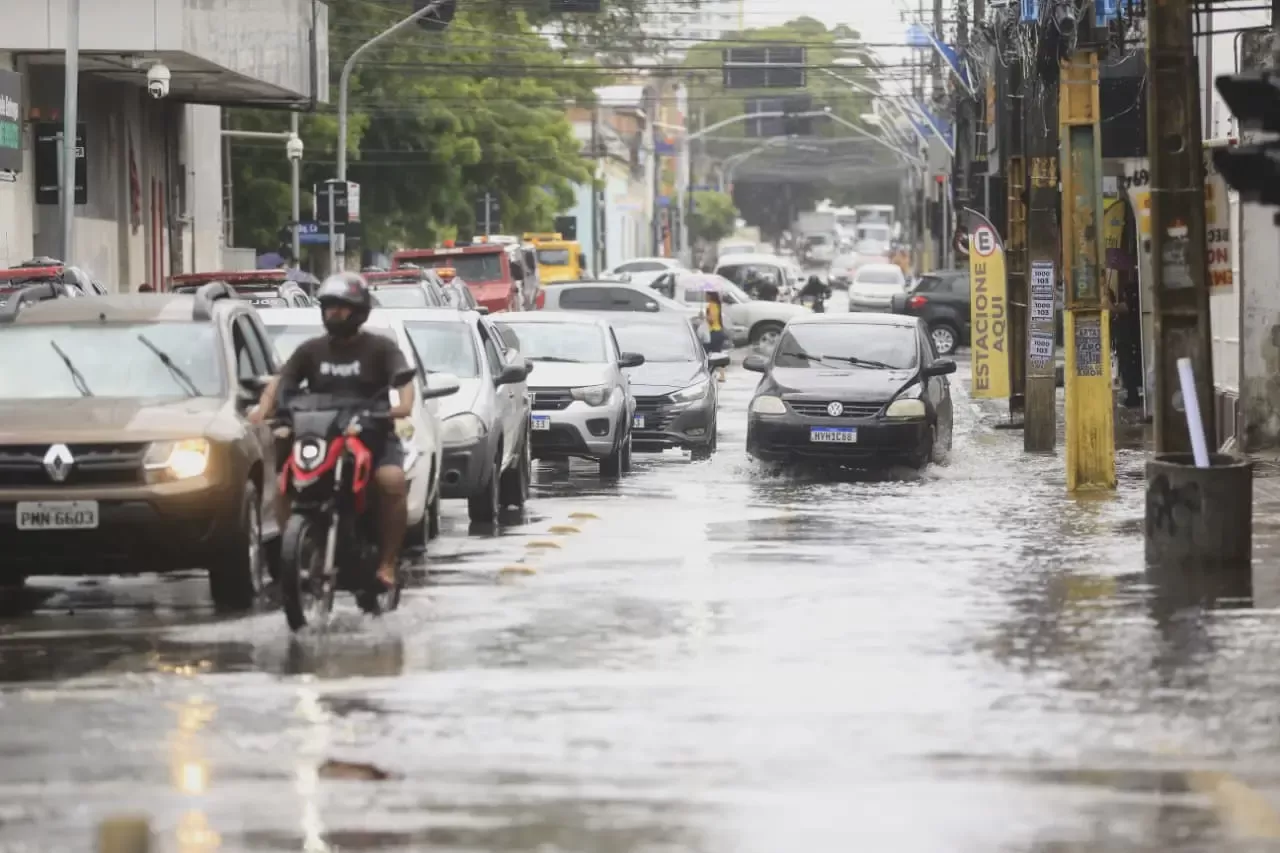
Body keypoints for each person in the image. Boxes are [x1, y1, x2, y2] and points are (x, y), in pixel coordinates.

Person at [250, 272, 415, 589]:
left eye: (341, 307)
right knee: (285, 482)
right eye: (328, 307)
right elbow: (281, 381)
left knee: (391, 481)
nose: (333, 313)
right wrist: (263, 410)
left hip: (372, 435)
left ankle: (387, 564)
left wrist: (403, 406)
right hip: (322, 437)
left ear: (359, 311)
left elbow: (404, 380)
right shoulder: (310, 350)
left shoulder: (381, 348)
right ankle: (298, 551)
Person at [704, 289, 727, 382]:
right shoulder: (717, 305)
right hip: (718, 331)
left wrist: (704, 317)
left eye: (706, 295)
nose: (705, 297)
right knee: (718, 354)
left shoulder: (711, 305)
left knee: (705, 353)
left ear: (710, 296)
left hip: (713, 332)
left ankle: (707, 374)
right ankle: (722, 375)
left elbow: (711, 320)